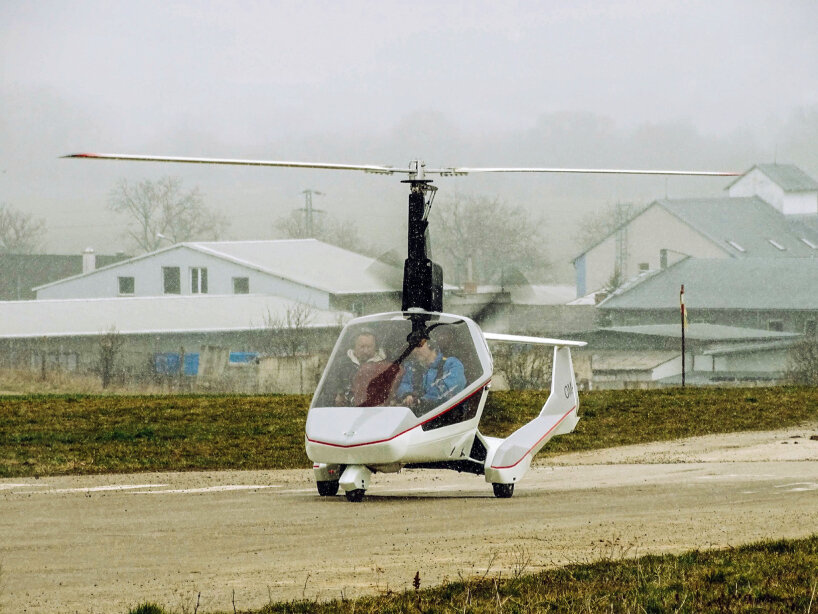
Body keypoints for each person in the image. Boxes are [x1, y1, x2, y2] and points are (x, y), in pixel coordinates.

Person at [397, 335, 466, 411]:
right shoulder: (413, 367)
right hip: (418, 417)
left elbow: (452, 387)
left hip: (445, 415)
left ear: (430, 344)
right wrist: (407, 395)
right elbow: (405, 383)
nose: (414, 350)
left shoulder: (450, 364)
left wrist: (423, 401)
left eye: (418, 346)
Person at [333, 329, 386, 406]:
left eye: (369, 347)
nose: (366, 351)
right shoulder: (342, 364)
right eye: (362, 347)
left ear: (376, 347)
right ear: (354, 346)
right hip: (346, 411)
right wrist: (338, 394)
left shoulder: (385, 365)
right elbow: (331, 384)